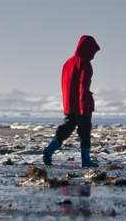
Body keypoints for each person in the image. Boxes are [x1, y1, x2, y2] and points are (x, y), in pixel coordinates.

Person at [42, 35, 101, 168]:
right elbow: (83, 87)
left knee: (66, 129)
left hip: (69, 103)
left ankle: (50, 149)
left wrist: (67, 103)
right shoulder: (84, 63)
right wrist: (84, 106)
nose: (94, 55)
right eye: (93, 51)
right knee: (84, 131)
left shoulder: (68, 62)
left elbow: (65, 84)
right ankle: (86, 160)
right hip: (81, 103)